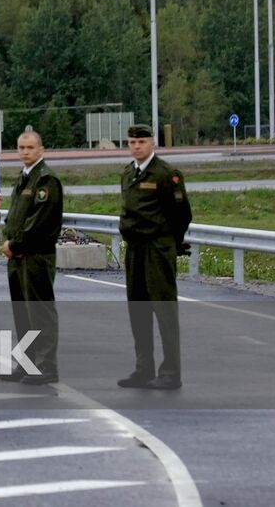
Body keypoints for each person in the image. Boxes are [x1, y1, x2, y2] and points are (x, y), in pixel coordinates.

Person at [117, 123, 192, 390]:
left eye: (142, 142)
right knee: (138, 310)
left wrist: (168, 242)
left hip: (157, 250)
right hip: (135, 250)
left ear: (152, 144)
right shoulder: (128, 173)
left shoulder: (165, 174)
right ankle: (143, 368)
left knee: (164, 311)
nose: (137, 146)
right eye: (132, 143)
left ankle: (171, 372)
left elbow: (181, 214)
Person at [0, 128, 62, 385]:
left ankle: (46, 366)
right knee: (22, 314)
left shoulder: (46, 180)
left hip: (35, 256)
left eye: (30, 148)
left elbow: (40, 222)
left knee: (40, 313)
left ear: (41, 150)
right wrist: (8, 241)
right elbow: (15, 215)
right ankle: (26, 364)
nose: (25, 152)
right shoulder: (24, 177)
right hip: (18, 257)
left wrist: (15, 243)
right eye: (22, 148)